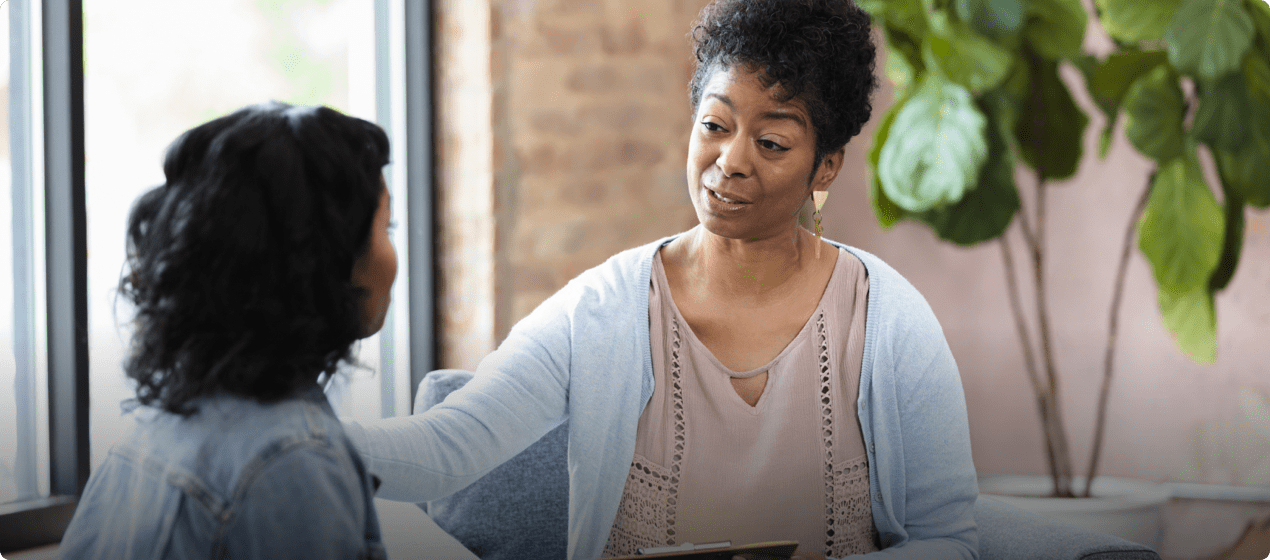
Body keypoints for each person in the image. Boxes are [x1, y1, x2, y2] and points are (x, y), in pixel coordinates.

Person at [346, 0, 978, 559]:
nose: (730, 162)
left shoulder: (888, 317)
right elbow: (449, 447)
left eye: (773, 143)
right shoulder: (600, 308)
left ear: (826, 166)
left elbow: (949, 538)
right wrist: (286, 432)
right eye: (715, 125)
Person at [58, 102, 397, 559]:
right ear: (325, 257)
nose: (393, 257)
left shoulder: (158, 426)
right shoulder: (292, 460)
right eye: (386, 227)